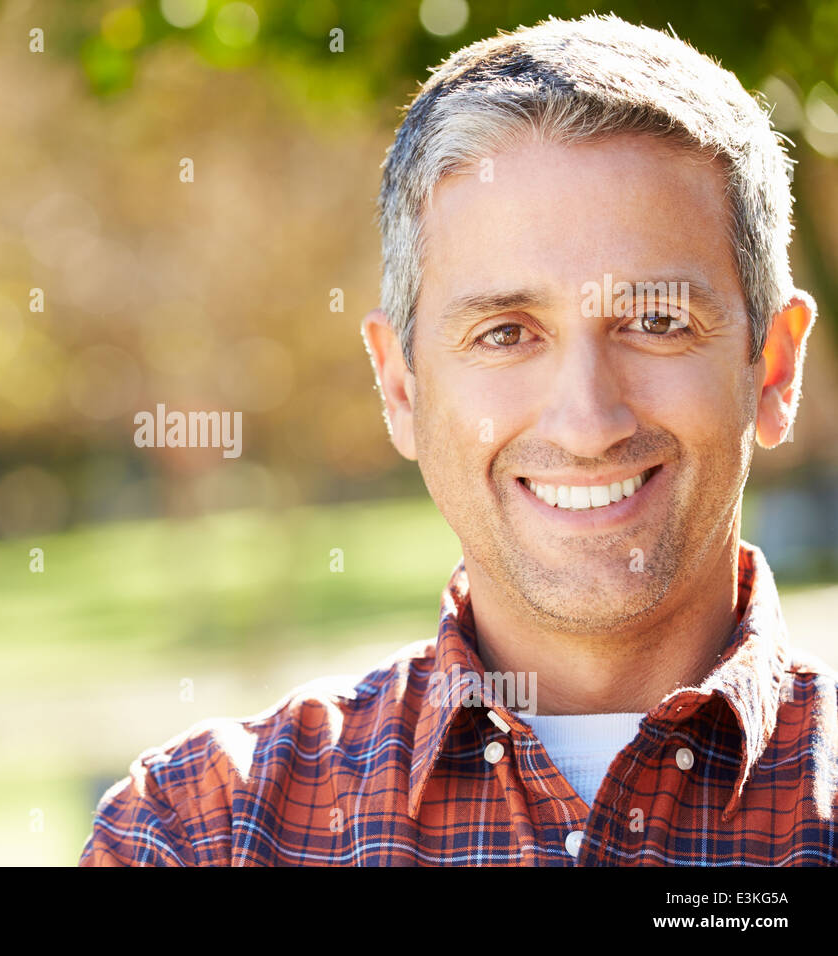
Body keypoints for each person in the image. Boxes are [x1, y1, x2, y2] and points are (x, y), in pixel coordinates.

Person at [80, 13, 832, 865]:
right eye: (506, 333)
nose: (588, 423)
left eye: (656, 321)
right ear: (400, 387)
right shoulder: (203, 834)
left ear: (771, 369)